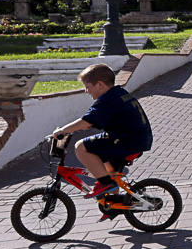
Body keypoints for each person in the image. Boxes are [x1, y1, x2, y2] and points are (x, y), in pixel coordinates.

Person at [54, 63, 153, 199]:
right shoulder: (119, 93)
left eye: (87, 87)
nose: (86, 91)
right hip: (137, 139)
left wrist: (63, 130)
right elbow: (90, 124)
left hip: (127, 140)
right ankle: (113, 203)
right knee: (107, 169)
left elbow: (86, 122)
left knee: (81, 147)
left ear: (100, 84)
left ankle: (106, 184)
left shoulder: (107, 100)